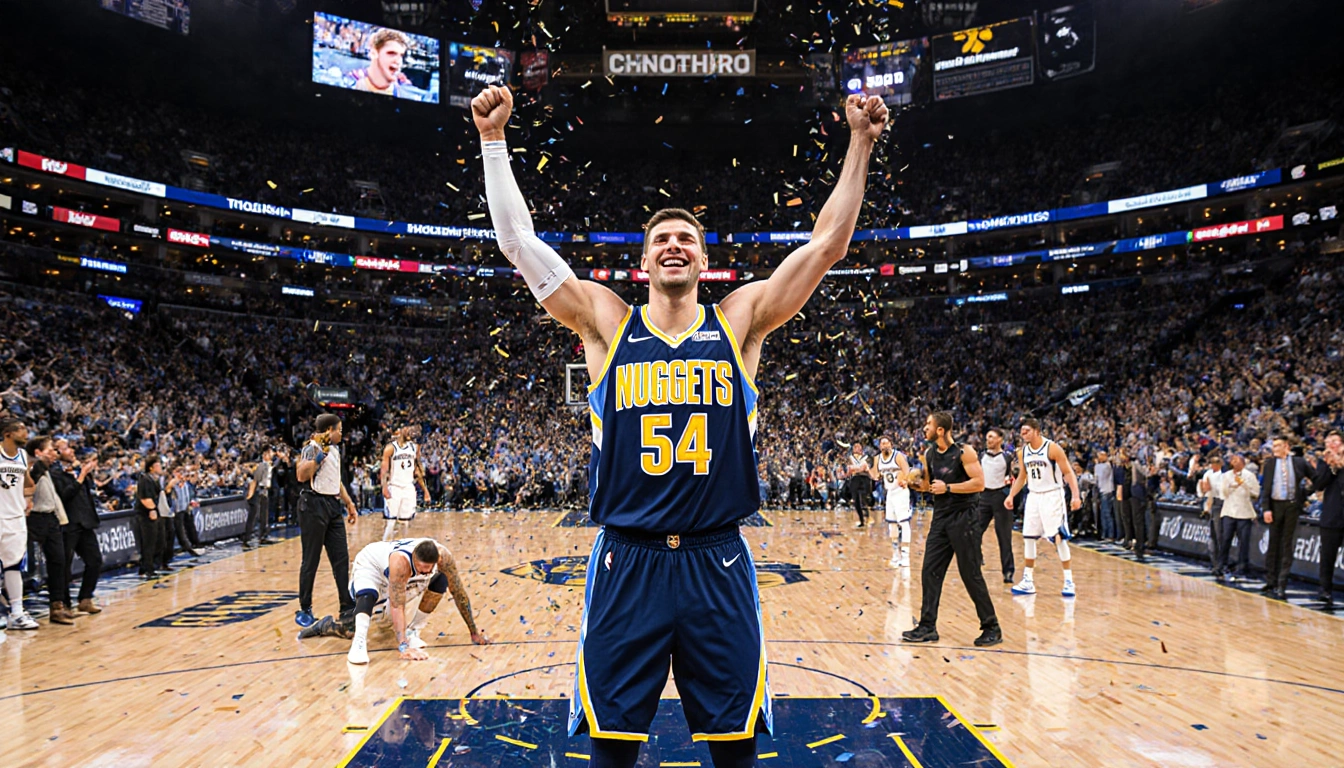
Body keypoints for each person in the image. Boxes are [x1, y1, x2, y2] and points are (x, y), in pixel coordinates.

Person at [473, 83, 889, 768]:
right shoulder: (607, 324)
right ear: (643, 261)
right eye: (662, 239)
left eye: (686, 240)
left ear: (703, 261)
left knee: (734, 749)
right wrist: (494, 144)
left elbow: (826, 247)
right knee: (612, 747)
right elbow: (519, 243)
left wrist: (860, 143)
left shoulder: (741, 321)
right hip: (626, 558)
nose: (674, 246)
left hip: (716, 557)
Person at [902, 412, 1002, 647]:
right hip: (941, 518)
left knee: (970, 574)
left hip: (964, 518)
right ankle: (927, 626)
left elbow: (979, 483)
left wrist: (948, 487)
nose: (924, 427)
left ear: (940, 430)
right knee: (930, 571)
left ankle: (992, 627)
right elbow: (928, 486)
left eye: (928, 424)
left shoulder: (964, 452)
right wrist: (914, 483)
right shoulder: (929, 454)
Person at [345, 537, 490, 665]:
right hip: (371, 564)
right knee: (368, 595)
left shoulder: (444, 556)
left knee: (441, 579)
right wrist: (403, 647)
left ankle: (413, 630)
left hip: (396, 573)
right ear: (414, 558)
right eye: (422, 569)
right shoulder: (401, 562)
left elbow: (458, 592)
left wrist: (474, 632)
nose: (426, 572)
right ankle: (359, 642)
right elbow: (397, 605)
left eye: (429, 569)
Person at [1004, 418, 1082, 597]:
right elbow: (1022, 476)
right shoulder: (1023, 452)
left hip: (1052, 495)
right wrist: (1011, 495)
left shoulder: (1052, 448)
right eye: (1022, 432)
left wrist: (1076, 496)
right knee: (1029, 538)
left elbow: (1068, 472)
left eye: (1026, 431)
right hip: (1033, 496)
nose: (1023, 434)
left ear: (1037, 431)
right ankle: (1028, 580)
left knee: (1059, 538)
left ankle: (1069, 581)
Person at [294, 414, 358, 629]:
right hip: (312, 505)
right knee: (310, 559)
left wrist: (349, 503)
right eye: (339, 429)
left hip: (332, 505)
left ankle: (346, 607)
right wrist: (318, 457)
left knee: (341, 558)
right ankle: (305, 607)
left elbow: (335, 479)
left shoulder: (336, 450)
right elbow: (301, 475)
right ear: (330, 429)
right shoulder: (312, 447)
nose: (342, 433)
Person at [26, 436, 75, 624]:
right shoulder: (34, 467)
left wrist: (60, 517)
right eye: (51, 450)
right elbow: (26, 488)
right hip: (33, 518)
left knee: (58, 562)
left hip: (50, 518)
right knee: (17, 562)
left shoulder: (46, 469)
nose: (55, 453)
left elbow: (53, 496)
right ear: (38, 452)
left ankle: (57, 606)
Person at [52, 440, 104, 615]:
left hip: (85, 521)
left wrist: (84, 475)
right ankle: (64, 604)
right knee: (64, 566)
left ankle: (85, 598)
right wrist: (81, 476)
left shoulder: (77, 469)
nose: (71, 450)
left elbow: (87, 492)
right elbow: (64, 496)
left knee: (95, 560)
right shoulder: (54, 473)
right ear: (57, 452)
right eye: (66, 448)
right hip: (67, 524)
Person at [1258, 436, 1312, 600]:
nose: (1274, 448)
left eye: (1278, 445)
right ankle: (1270, 581)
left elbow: (1315, 478)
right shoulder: (1269, 464)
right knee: (1273, 543)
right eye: (1273, 446)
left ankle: (1282, 583)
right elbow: (1265, 488)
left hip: (1292, 506)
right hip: (1275, 505)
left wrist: (1304, 495)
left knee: (1287, 544)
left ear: (1286, 446)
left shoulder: (1299, 462)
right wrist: (1266, 508)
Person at [0, 418, 38, 631]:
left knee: (13, 566)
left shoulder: (23, 456)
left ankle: (16, 613)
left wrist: (28, 498)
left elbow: (27, 483)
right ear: (7, 434)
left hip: (15, 518)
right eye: (22, 430)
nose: (26, 434)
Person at [1307, 431, 1343, 607]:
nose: (1331, 445)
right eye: (1329, 442)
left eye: (1335, 441)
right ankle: (1325, 591)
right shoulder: (1324, 462)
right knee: (1327, 556)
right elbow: (1319, 484)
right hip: (1332, 515)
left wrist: (1341, 464)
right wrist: (1331, 467)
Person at [977, 427, 1016, 584]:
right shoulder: (981, 456)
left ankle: (1008, 572)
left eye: (992, 437)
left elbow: (1014, 476)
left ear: (1000, 439)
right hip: (984, 496)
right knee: (974, 531)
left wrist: (1011, 494)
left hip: (1001, 497)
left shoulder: (1007, 458)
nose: (989, 440)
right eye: (987, 437)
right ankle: (977, 559)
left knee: (1004, 537)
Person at [381, 425, 430, 541]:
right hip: (394, 487)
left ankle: (402, 547)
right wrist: (384, 487)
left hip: (408, 487)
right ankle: (384, 547)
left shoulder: (414, 448)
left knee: (405, 523)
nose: (410, 431)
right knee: (391, 522)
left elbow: (417, 471)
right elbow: (384, 470)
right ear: (399, 430)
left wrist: (425, 491)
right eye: (407, 428)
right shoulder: (390, 448)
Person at [1216, 454, 1259, 584]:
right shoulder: (1226, 475)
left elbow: (1256, 494)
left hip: (1244, 513)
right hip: (1229, 512)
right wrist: (1231, 486)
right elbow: (1222, 494)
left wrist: (1244, 485)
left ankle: (1242, 567)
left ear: (1242, 462)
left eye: (1236, 460)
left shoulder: (1250, 476)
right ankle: (1221, 565)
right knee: (1225, 540)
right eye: (1232, 460)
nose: (1233, 462)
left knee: (1244, 542)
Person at [874, 436, 912, 567]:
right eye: (882, 443)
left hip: (901, 492)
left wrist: (905, 479)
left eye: (886, 443)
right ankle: (896, 554)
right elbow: (874, 476)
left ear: (891, 444)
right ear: (879, 446)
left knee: (903, 522)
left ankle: (906, 555)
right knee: (892, 525)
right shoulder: (877, 459)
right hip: (889, 493)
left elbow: (907, 471)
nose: (884, 445)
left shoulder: (898, 456)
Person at [351, 28, 410, 97]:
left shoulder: (404, 90)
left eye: (401, 56)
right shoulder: (350, 81)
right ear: (373, 53)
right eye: (391, 53)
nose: (398, 61)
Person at [134, 454, 167, 580]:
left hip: (153, 512)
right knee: (150, 543)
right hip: (145, 515)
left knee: (158, 541)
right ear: (151, 468)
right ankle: (149, 569)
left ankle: (145, 567)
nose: (160, 467)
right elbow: (145, 498)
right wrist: (152, 510)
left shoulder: (154, 479)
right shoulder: (145, 479)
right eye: (158, 465)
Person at [1198, 455, 1225, 575]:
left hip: (1221, 504)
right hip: (1213, 504)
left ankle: (1220, 565)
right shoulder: (1208, 473)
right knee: (1214, 536)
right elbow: (1205, 490)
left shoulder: (1225, 475)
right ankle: (1216, 564)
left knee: (1219, 537)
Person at [244, 448, 274, 547]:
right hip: (259, 492)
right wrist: (251, 494)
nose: (272, 454)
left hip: (265, 491)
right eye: (270, 453)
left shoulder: (269, 465)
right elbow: (255, 480)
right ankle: (248, 538)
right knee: (255, 516)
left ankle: (263, 536)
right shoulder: (261, 466)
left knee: (264, 516)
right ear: (265, 455)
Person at [847, 441, 874, 528]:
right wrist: (857, 468)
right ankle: (861, 520)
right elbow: (849, 470)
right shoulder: (850, 458)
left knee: (864, 499)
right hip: (854, 479)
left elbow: (864, 468)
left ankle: (868, 517)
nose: (857, 448)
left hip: (864, 479)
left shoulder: (866, 457)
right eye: (855, 447)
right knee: (856, 501)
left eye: (858, 446)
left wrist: (856, 468)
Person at [1094, 451, 1116, 541]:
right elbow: (1096, 479)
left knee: (1107, 513)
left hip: (1107, 491)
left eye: (1101, 456)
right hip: (1100, 491)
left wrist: (1097, 466)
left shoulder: (1107, 466)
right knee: (1102, 514)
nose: (1099, 458)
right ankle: (1104, 534)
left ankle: (1110, 534)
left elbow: (1101, 476)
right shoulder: (1098, 466)